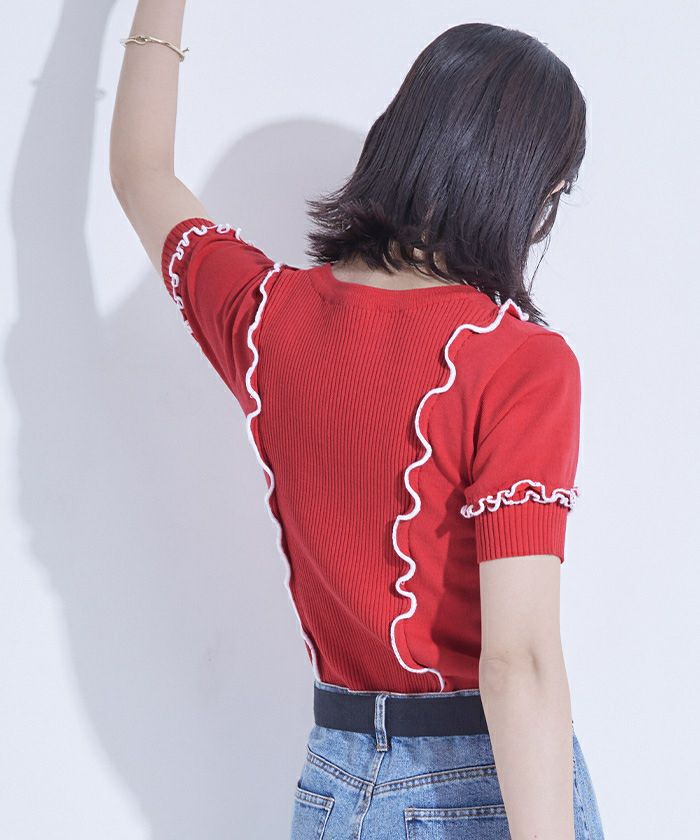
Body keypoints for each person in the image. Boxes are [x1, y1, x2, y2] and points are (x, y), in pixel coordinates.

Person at [111, 4, 605, 838]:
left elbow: (139, 174)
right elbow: (518, 663)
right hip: (486, 788)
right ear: (533, 190)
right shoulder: (517, 361)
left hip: (333, 784)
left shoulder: (266, 318)